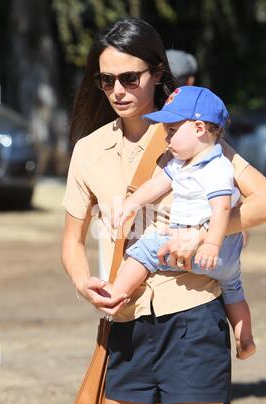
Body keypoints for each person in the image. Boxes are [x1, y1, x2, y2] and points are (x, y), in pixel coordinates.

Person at [61, 17, 266, 404]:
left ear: (158, 73)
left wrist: (204, 233)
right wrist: (83, 284)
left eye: (130, 78)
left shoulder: (191, 138)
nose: (118, 91)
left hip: (195, 319)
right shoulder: (87, 151)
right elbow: (72, 242)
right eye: (106, 81)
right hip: (126, 323)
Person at [108, 85, 255, 360]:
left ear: (199, 128)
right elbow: (157, 184)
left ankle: (116, 296)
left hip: (210, 248)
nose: (167, 138)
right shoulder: (182, 163)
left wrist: (210, 243)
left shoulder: (216, 166)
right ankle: (245, 339)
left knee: (147, 249)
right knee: (234, 289)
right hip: (228, 257)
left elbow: (222, 206)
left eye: (172, 131)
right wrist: (131, 203)